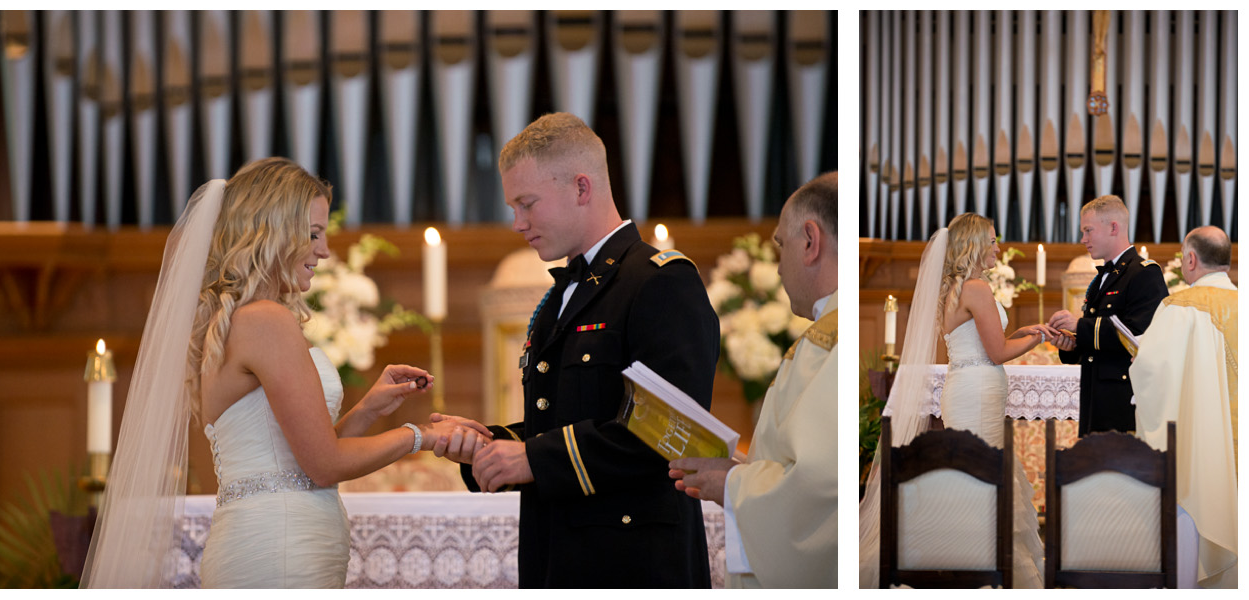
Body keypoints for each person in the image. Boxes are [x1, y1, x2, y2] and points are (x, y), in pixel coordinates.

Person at [81, 158, 489, 588]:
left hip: (277, 541)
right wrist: (422, 435)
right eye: (313, 234)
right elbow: (324, 466)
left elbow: (301, 460)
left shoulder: (240, 320)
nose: (325, 251)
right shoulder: (265, 320)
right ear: (272, 232)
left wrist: (369, 408)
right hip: (279, 550)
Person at [439, 112, 720, 587]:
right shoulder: (565, 291)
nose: (517, 223)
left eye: (527, 204)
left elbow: (672, 432)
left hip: (633, 563)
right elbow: (571, 416)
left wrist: (534, 458)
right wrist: (489, 445)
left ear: (581, 188)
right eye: (513, 207)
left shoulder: (660, 281)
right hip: (559, 554)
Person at [859, 213, 1056, 588]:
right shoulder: (977, 288)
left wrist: (1023, 331)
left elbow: (982, 341)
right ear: (976, 245)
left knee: (964, 474)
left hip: (962, 384)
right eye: (993, 241)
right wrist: (1040, 336)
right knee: (983, 475)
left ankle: (957, 559)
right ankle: (982, 564)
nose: (998, 247)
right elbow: (996, 353)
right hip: (980, 389)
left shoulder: (952, 287)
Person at [667, 172, 838, 588]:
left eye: (782, 245)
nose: (778, 267)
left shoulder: (835, 342)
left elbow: (822, 481)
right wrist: (743, 469)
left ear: (811, 241)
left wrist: (732, 482)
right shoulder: (829, 334)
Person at [1131, 225, 1237, 589]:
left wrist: (1135, 359)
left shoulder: (1178, 307)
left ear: (1191, 259)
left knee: (1195, 507)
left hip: (1200, 452)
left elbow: (1152, 371)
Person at [1048, 195, 1167, 435]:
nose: (1083, 239)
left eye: (1088, 230)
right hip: (1096, 397)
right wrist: (1072, 345)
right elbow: (1097, 342)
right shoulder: (1101, 278)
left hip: (1123, 398)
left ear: (1113, 227)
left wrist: (1079, 326)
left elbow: (1137, 334)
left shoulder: (1144, 273)